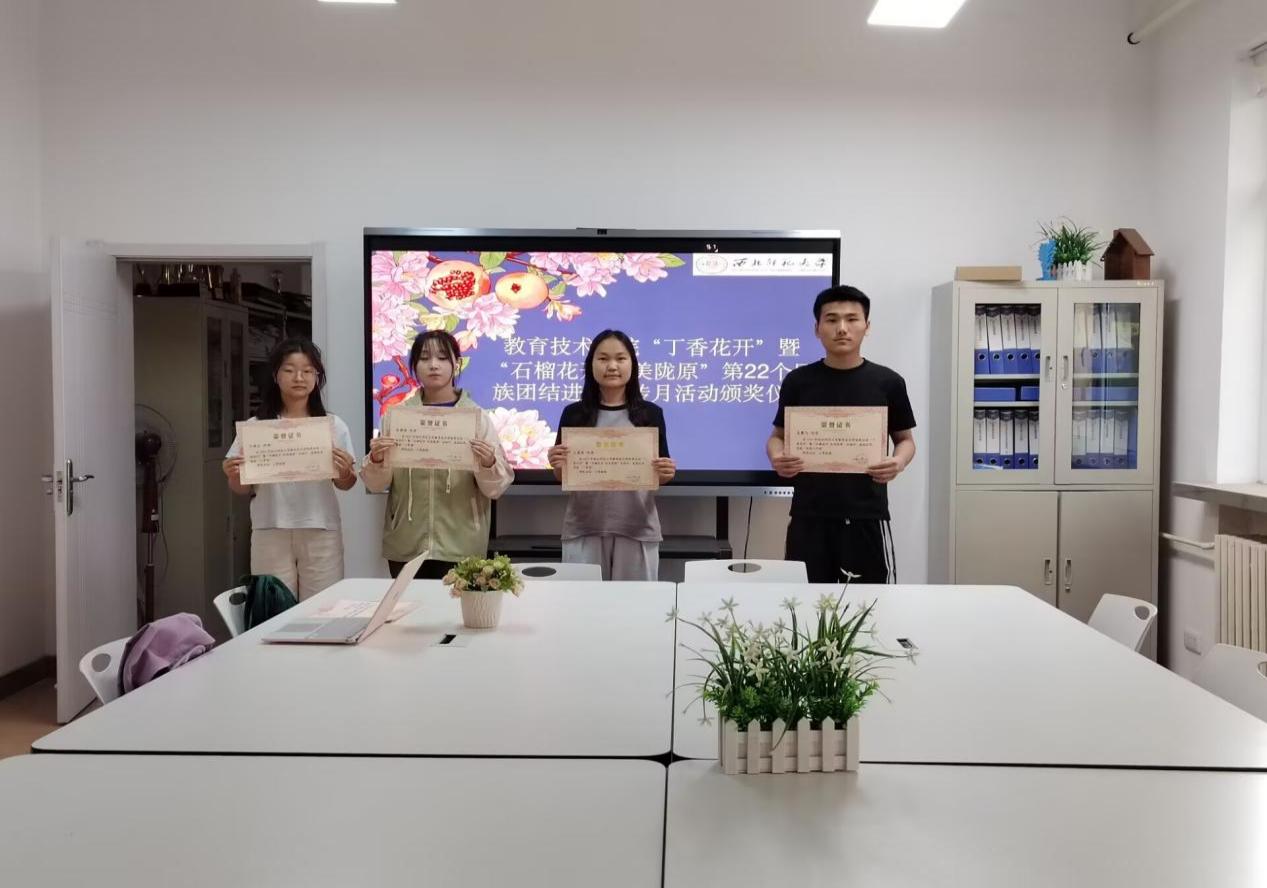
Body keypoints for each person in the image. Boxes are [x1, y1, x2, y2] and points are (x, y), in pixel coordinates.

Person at [767, 285, 916, 583]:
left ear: (867, 326)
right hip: (809, 513)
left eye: (852, 319)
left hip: (866, 514)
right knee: (802, 601)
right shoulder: (798, 381)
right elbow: (777, 436)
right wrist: (777, 457)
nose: (842, 328)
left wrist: (898, 462)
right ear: (817, 328)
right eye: (832, 320)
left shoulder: (888, 382)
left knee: (868, 602)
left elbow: (905, 441)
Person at [362, 330, 513, 579]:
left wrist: (488, 463)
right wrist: (377, 460)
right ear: (414, 366)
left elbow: (496, 488)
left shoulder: (475, 417)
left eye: (442, 357)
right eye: (424, 358)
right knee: (409, 605)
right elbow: (376, 484)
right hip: (406, 544)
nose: (433, 365)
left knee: (455, 606)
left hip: (462, 544)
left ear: (457, 363)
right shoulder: (397, 417)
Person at [222, 338, 358, 599]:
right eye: (289, 370)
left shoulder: (332, 425)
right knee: (273, 608)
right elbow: (240, 488)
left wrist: (344, 472)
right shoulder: (256, 428)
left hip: (320, 528)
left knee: (322, 608)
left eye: (308, 371)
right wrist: (234, 474)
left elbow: (346, 483)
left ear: (317, 377)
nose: (299, 377)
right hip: (270, 526)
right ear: (275, 375)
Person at [547, 330, 676, 581]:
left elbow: (659, 477)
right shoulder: (574, 414)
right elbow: (562, 476)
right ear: (591, 365)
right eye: (603, 358)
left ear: (632, 364)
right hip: (584, 526)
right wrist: (557, 464)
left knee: (634, 603)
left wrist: (667, 473)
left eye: (621, 358)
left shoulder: (650, 414)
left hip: (637, 526)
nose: (612, 366)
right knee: (582, 602)